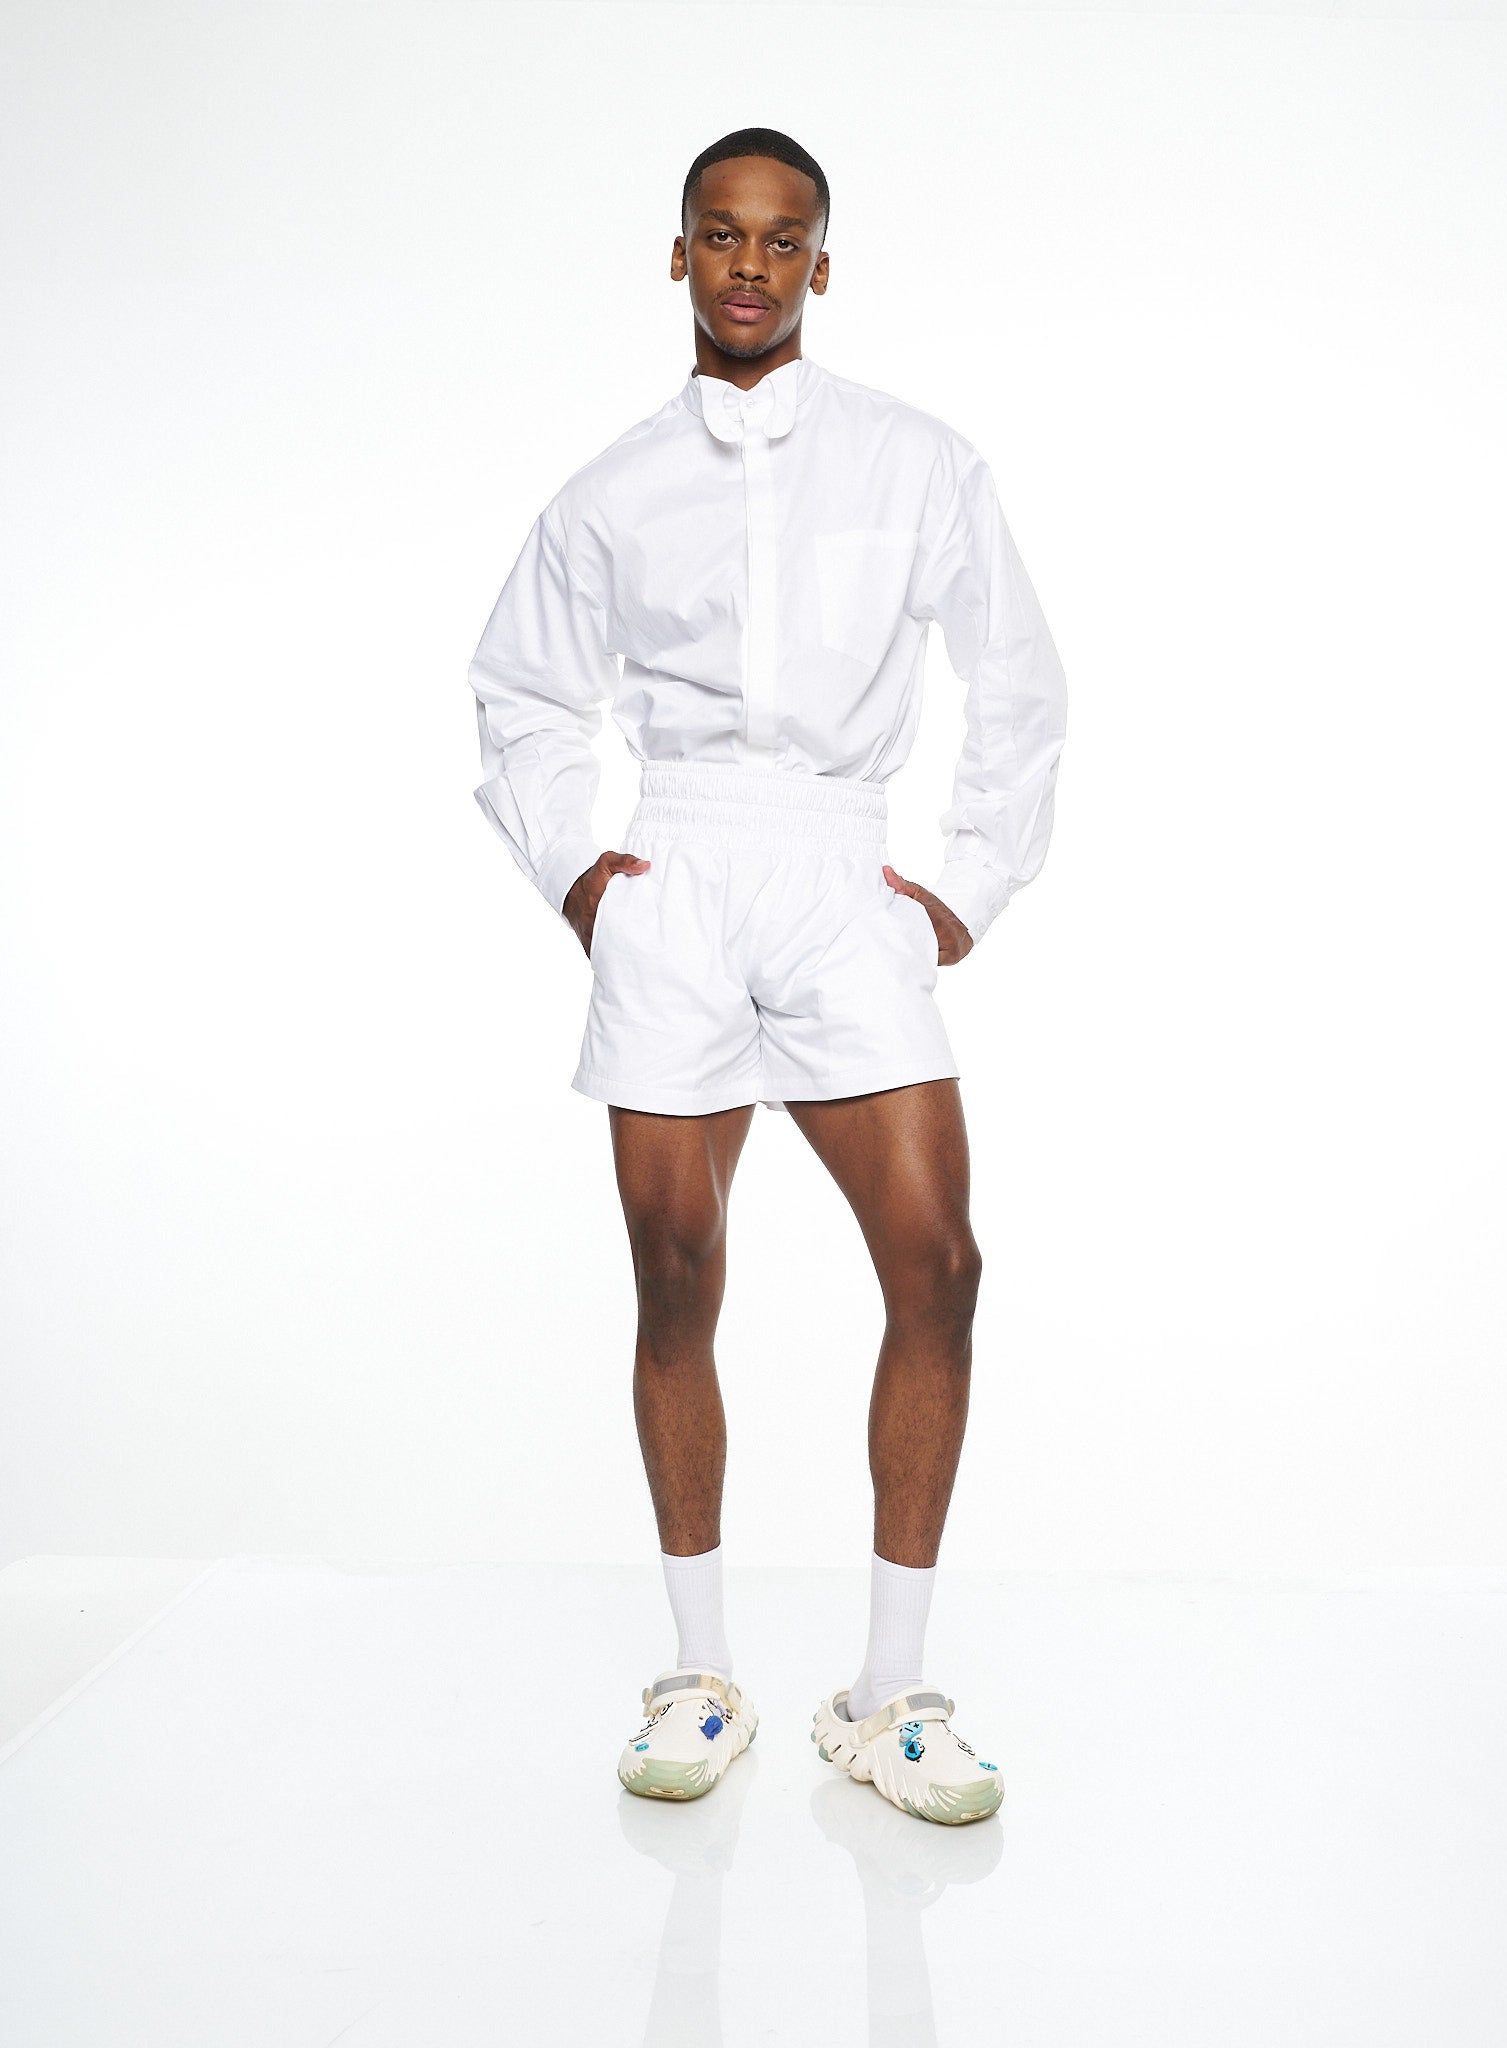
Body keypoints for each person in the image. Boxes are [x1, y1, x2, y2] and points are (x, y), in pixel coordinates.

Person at [467, 127, 1067, 1826]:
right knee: (674, 1272)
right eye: (720, 235)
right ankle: (699, 1672)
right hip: (676, 866)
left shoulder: (918, 461)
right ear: (678, 256)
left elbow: (1018, 682)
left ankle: (890, 1697)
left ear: (820, 262)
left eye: (782, 237)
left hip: (836, 866)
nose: (749, 263)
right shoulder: (607, 490)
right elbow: (522, 689)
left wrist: (960, 891)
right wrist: (577, 873)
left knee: (937, 1263)